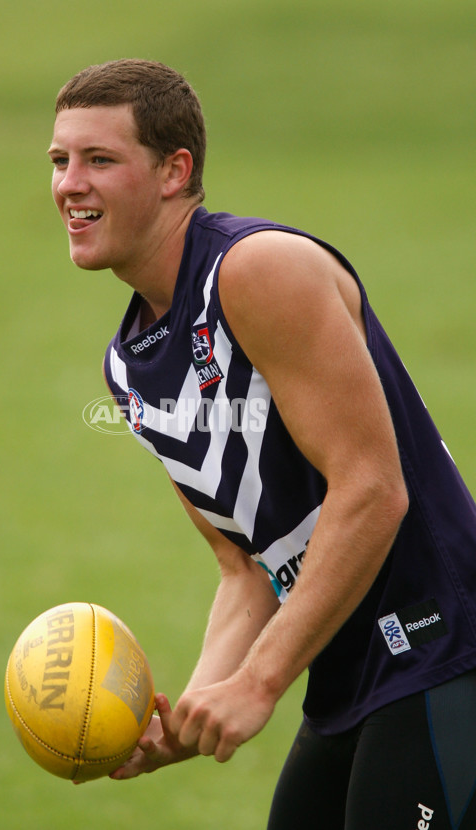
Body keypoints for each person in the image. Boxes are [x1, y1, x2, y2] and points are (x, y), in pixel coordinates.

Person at [47, 59, 476, 829]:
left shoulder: (258, 270)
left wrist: (261, 681)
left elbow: (374, 489)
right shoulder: (130, 367)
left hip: (447, 650)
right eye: (60, 160)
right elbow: (246, 568)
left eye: (99, 160)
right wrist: (189, 715)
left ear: (175, 171)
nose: (69, 184)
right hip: (350, 681)